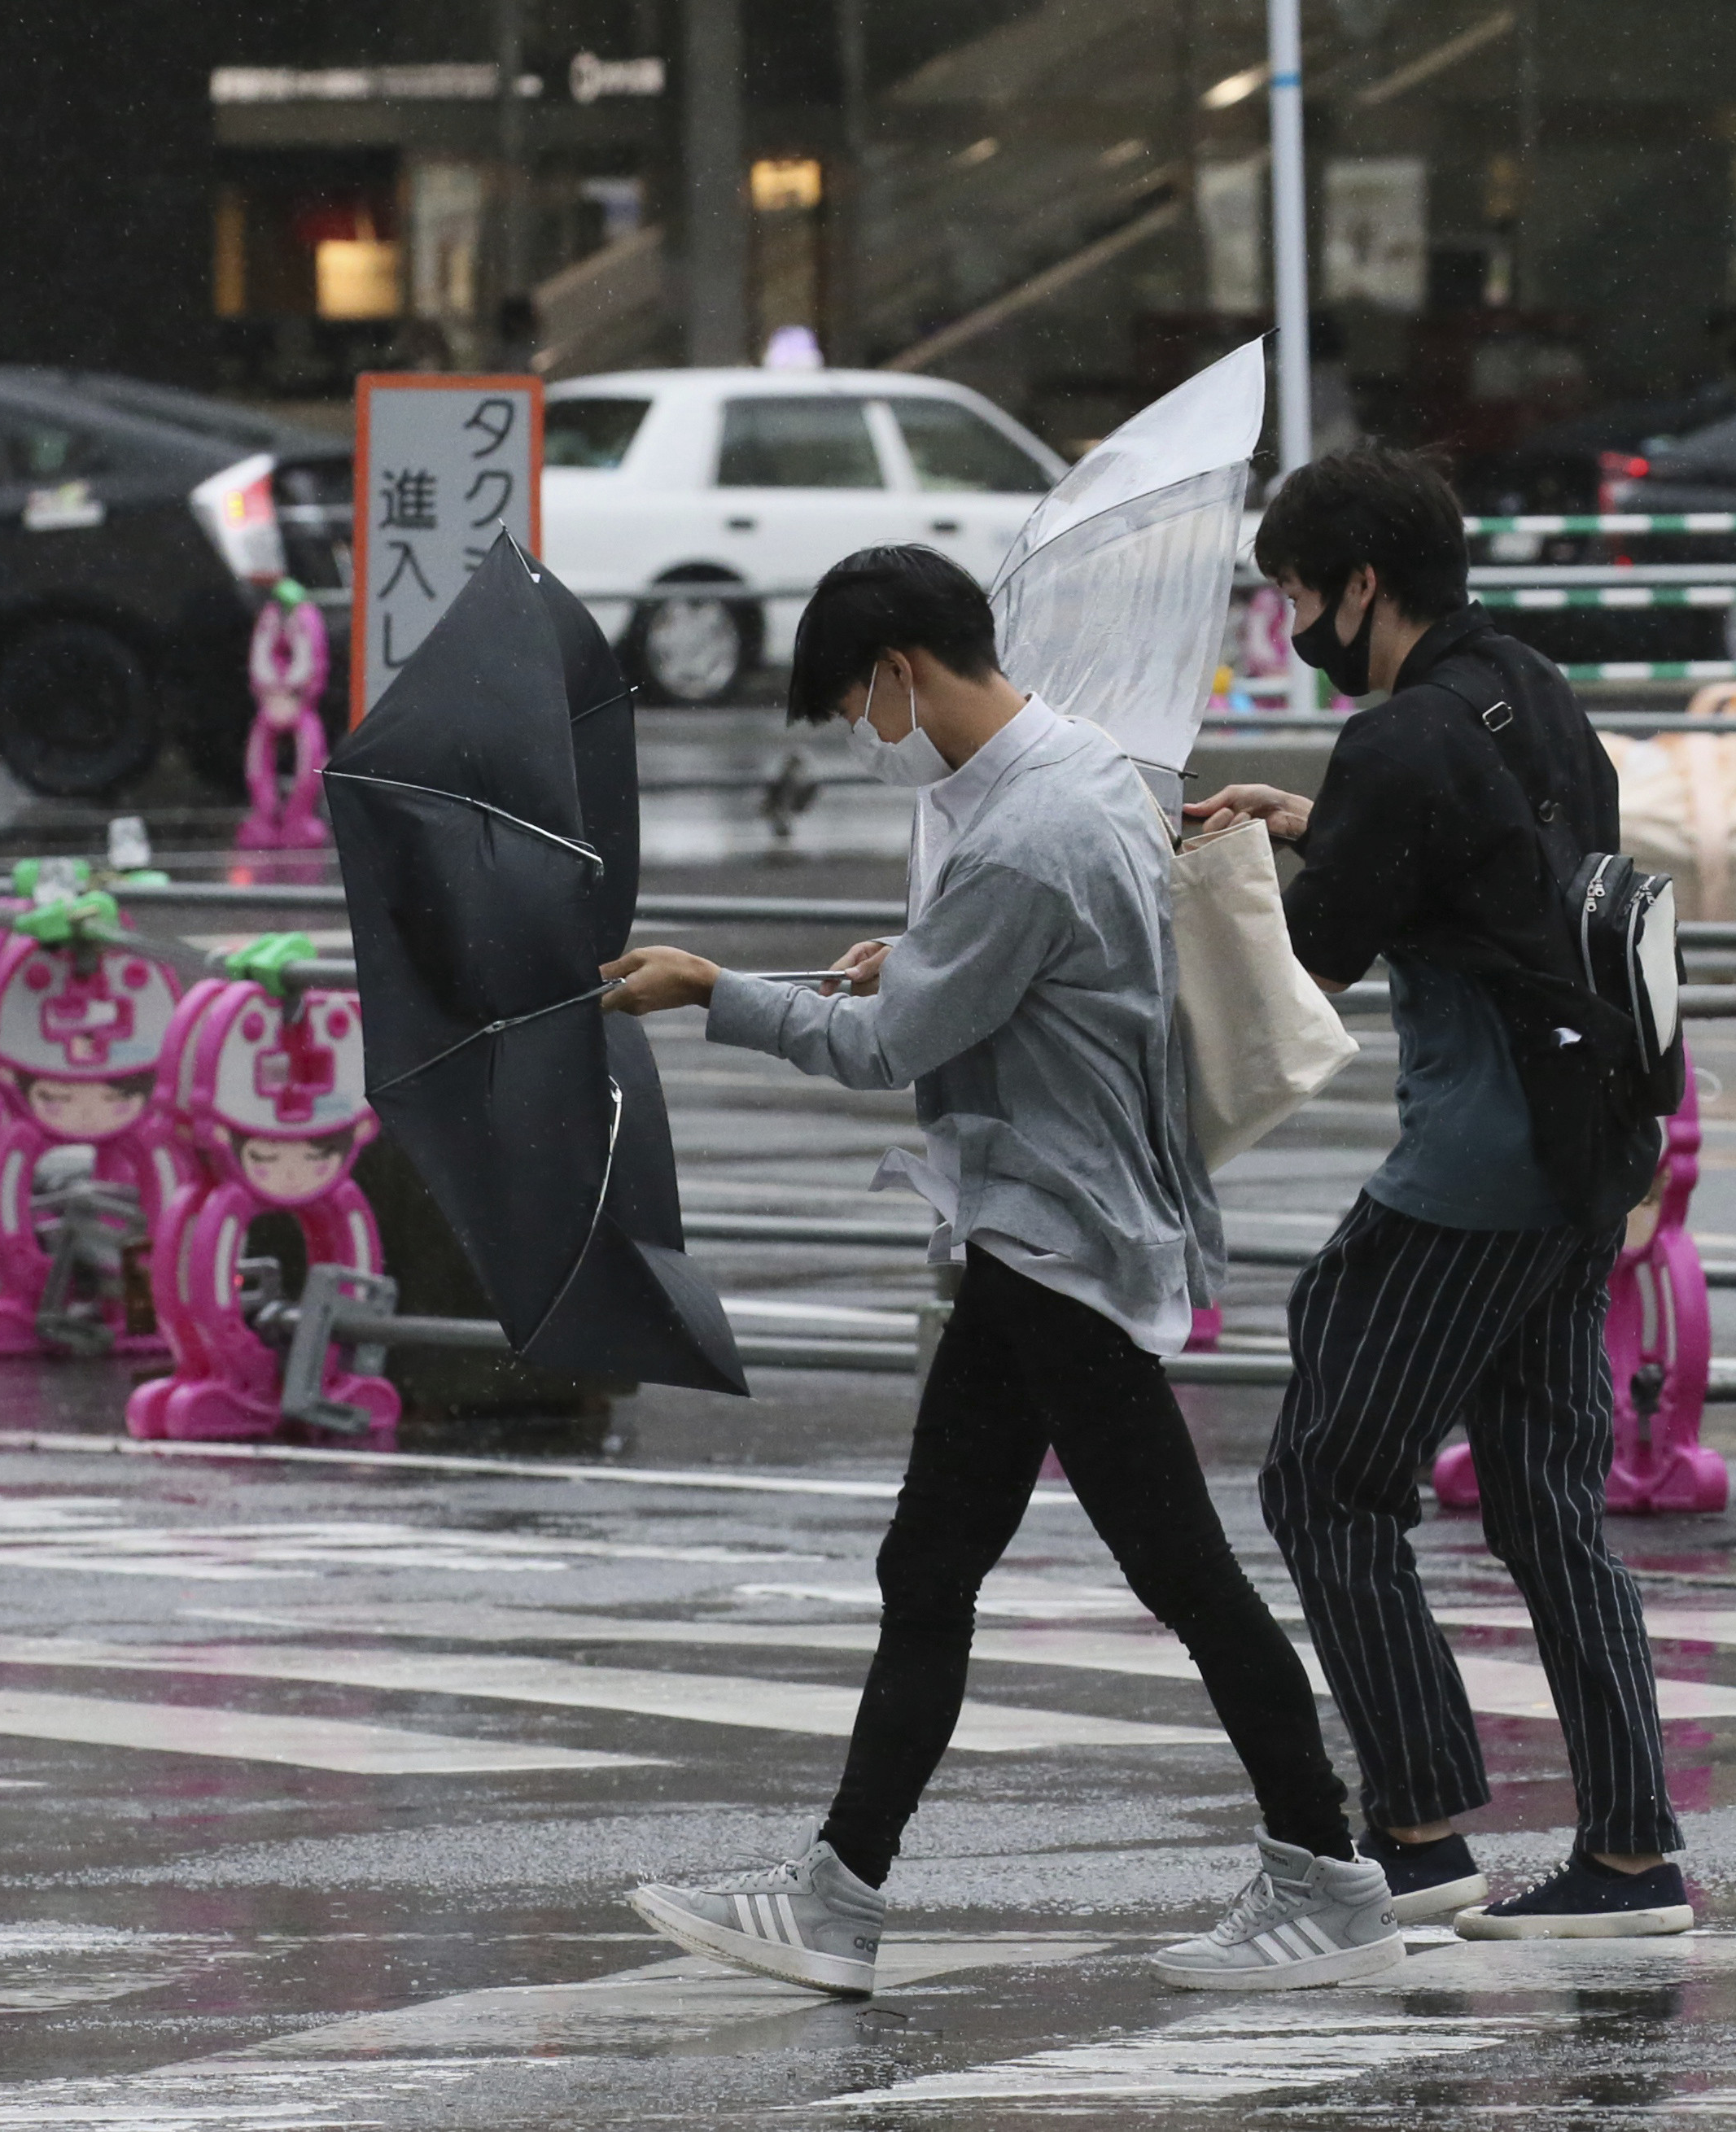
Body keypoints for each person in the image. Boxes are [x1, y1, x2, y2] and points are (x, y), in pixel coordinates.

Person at [599, 544, 1401, 1997]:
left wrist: (715, 991)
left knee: (1179, 1573)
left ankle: (1327, 1871)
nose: (862, 731)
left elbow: (885, 1047)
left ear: (901, 668)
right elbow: (989, 980)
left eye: (856, 700)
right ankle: (842, 1891)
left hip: (1059, 1240)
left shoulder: (1027, 832)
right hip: (1043, 1229)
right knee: (939, 1563)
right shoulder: (1079, 773)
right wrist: (914, 953)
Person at [1186, 443, 1691, 1940]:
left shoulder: (1398, 744)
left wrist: (1218, 874)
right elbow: (1497, 867)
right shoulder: (1526, 687)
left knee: (1325, 1483)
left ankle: (1417, 1828)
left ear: (1361, 585)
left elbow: (1310, 968)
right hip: (1589, 1145)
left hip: (1475, 1163)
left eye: (1296, 596)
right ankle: (1628, 1855)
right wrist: (1313, 824)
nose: (1293, 627)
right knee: (1546, 1505)